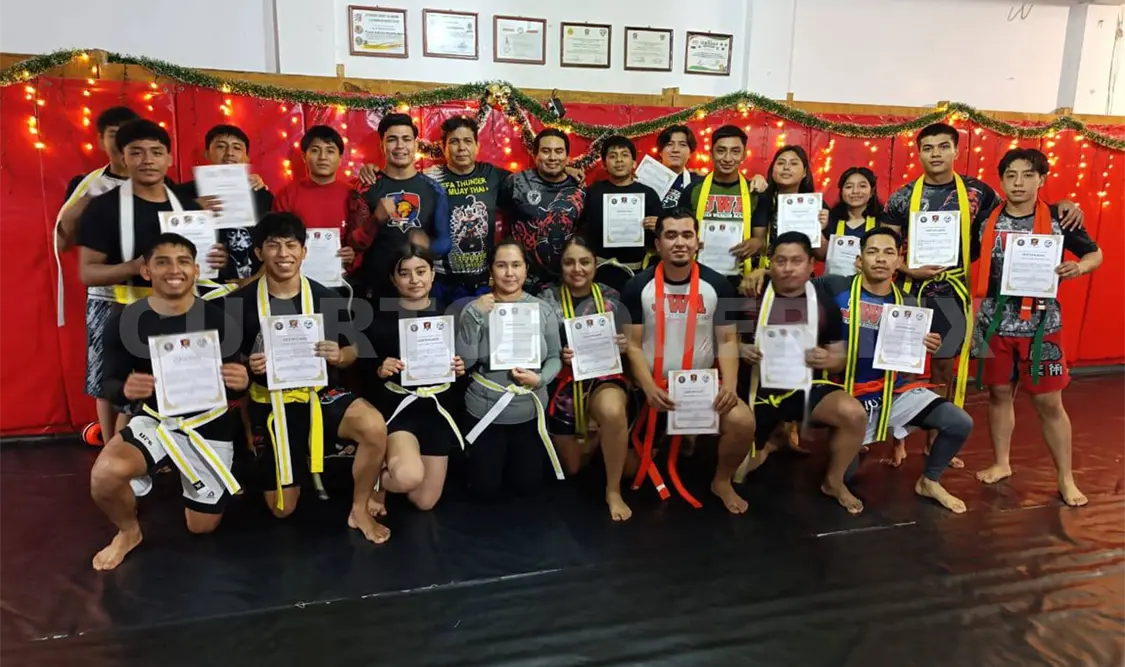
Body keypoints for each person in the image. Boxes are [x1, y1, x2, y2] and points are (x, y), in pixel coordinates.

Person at [883, 123, 1082, 413]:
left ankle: (936, 438)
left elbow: (1018, 210)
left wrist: (1063, 205)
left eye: (943, 146)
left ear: (956, 150)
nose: (935, 154)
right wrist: (907, 269)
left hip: (952, 293)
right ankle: (896, 442)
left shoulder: (978, 192)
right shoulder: (903, 195)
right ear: (919, 153)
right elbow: (886, 244)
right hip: (908, 290)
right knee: (902, 365)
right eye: (928, 148)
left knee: (943, 368)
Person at [89, 233, 248, 570]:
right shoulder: (125, 318)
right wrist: (125, 389)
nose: (174, 269)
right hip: (158, 419)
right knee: (105, 475)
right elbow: (110, 382)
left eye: (183, 261)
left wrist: (242, 381)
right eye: (162, 262)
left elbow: (234, 383)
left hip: (208, 423)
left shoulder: (220, 317)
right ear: (146, 271)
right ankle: (128, 532)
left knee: (201, 527)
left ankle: (186, 473)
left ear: (196, 269)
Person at [228, 212, 390, 543]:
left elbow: (354, 350)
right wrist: (248, 368)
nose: (283, 254)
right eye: (273, 245)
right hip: (269, 403)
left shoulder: (326, 297)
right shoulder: (236, 304)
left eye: (291, 245)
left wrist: (339, 355)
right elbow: (229, 371)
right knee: (282, 509)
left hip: (319, 393)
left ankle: (359, 508)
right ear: (259, 252)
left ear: (304, 251)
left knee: (374, 426)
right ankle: (288, 458)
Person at [77, 119, 228, 448]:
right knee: (114, 387)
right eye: (137, 152)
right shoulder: (104, 208)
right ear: (123, 158)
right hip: (116, 305)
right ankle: (113, 452)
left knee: (175, 380)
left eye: (156, 152)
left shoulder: (186, 207)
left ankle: (170, 450)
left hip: (175, 308)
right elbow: (87, 273)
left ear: (169, 159)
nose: (148, 160)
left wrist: (212, 261)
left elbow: (192, 266)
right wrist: (133, 267)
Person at [970, 148, 1102, 506]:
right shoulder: (985, 219)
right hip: (993, 322)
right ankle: (1001, 463)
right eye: (1010, 175)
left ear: (1041, 179)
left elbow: (1094, 253)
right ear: (1002, 180)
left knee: (1049, 402)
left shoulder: (1061, 219)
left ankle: (1066, 478)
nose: (1017, 182)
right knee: (998, 395)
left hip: (1042, 324)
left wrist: (1080, 268)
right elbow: (960, 254)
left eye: (1027, 175)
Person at [817, 228, 974, 513]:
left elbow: (908, 367)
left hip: (892, 391)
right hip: (845, 394)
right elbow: (791, 285)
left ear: (898, 261)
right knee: (845, 475)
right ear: (858, 259)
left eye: (888, 252)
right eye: (872, 251)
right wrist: (763, 274)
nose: (880, 259)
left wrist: (926, 344)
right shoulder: (833, 286)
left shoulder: (910, 304)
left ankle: (929, 480)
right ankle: (837, 450)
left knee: (959, 421)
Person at [621, 209, 756, 514]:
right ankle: (672, 440)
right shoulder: (636, 287)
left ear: (698, 242)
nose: (679, 242)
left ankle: (721, 481)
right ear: (658, 244)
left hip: (699, 388)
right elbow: (631, 345)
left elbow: (728, 340)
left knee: (743, 421)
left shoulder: (721, 286)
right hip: (651, 389)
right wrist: (648, 387)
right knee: (630, 469)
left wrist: (731, 387)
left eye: (687, 235)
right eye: (670, 235)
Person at [734, 232, 866, 513]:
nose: (788, 268)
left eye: (797, 261)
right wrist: (740, 349)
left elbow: (839, 358)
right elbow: (720, 340)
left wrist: (826, 359)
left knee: (853, 414)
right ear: (770, 264)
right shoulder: (749, 292)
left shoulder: (824, 303)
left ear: (810, 266)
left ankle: (834, 481)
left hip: (801, 387)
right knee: (739, 473)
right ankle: (771, 442)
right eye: (781, 261)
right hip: (755, 390)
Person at [456, 238, 565, 498]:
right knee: (484, 490)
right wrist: (475, 316)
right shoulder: (474, 309)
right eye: (501, 265)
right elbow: (465, 362)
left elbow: (554, 357)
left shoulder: (542, 309)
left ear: (526, 269)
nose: (509, 273)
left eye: (516, 265)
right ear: (491, 270)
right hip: (486, 411)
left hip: (528, 411)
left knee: (526, 487)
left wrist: (539, 379)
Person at [362, 243, 465, 514]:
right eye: (405, 273)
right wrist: (378, 368)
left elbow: (461, 364)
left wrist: (459, 367)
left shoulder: (449, 314)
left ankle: (385, 472)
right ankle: (372, 482)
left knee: (424, 501)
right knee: (408, 477)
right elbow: (360, 369)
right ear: (394, 279)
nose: (414, 280)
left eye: (421, 271)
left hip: (437, 410)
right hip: (399, 409)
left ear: (433, 274)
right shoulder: (376, 317)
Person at [541, 237, 633, 521]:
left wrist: (623, 345)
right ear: (560, 266)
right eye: (569, 262)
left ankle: (613, 490)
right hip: (562, 386)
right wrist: (557, 353)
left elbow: (633, 344)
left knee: (612, 410)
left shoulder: (614, 298)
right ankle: (597, 438)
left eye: (584, 262)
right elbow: (534, 349)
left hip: (603, 377)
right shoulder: (545, 299)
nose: (577, 269)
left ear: (596, 264)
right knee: (572, 467)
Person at [351, 113, 451, 297]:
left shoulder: (434, 189)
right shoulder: (367, 187)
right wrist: (375, 220)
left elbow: (446, 242)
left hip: (418, 293)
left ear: (415, 144)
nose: (400, 146)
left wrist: (429, 245)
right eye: (392, 140)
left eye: (406, 139)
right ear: (382, 145)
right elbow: (353, 244)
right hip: (375, 293)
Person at [180, 124, 275, 283]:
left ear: (246, 157)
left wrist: (256, 279)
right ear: (207, 153)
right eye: (220, 146)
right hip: (196, 284)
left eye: (237, 148)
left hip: (250, 285)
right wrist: (193, 207)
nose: (229, 153)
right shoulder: (183, 193)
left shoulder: (262, 195)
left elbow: (275, 241)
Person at [499, 128, 585, 293]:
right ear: (535, 154)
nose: (552, 157)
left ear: (567, 156)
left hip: (567, 282)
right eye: (546, 151)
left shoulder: (579, 188)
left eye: (558, 151)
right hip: (520, 283)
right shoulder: (516, 183)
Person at [578, 135, 662, 290]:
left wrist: (659, 226)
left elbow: (662, 234)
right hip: (598, 272)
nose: (619, 160)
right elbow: (581, 230)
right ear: (604, 164)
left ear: (634, 163)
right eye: (612, 156)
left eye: (625, 155)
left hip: (637, 272)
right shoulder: (593, 192)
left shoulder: (648, 194)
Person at [684, 125, 768, 279]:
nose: (728, 158)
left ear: (744, 155)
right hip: (699, 273)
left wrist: (756, 243)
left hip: (741, 277)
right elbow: (681, 232)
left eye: (735, 151)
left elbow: (761, 240)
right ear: (711, 153)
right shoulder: (693, 190)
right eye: (721, 150)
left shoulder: (755, 192)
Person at [57, 106, 140, 252]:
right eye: (114, 134)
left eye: (129, 134)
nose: (122, 141)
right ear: (101, 140)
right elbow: (61, 246)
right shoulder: (83, 185)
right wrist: (71, 218)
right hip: (100, 271)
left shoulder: (159, 184)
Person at [820, 167, 883, 274]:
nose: (855, 191)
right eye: (849, 187)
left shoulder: (882, 222)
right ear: (841, 192)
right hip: (835, 284)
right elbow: (821, 255)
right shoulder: (831, 219)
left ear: (872, 191)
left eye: (862, 186)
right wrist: (819, 230)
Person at [656, 125, 704, 211]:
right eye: (669, 144)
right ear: (660, 152)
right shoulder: (643, 180)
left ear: (690, 153)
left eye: (682, 145)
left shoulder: (699, 183)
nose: (675, 150)